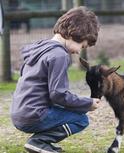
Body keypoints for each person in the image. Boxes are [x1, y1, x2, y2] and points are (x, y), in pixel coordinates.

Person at [10, 6, 101, 153]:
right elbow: (58, 94)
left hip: (19, 112)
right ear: (74, 34)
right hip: (34, 115)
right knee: (81, 119)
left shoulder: (40, 48)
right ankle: (39, 142)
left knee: (67, 110)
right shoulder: (59, 55)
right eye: (81, 45)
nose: (78, 51)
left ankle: (40, 142)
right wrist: (86, 103)